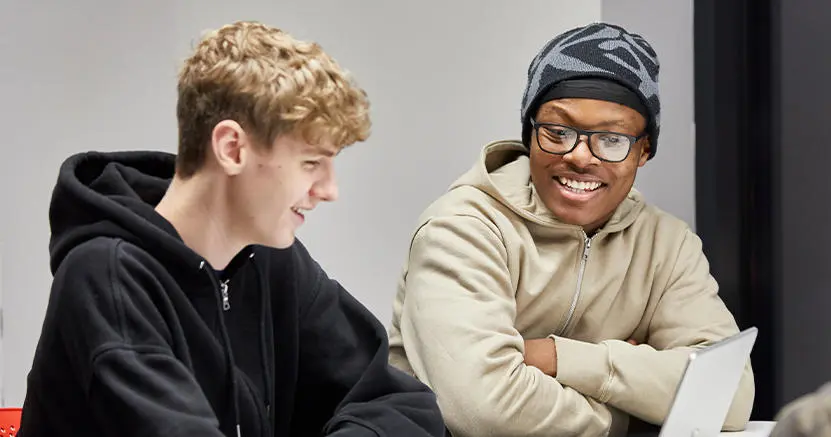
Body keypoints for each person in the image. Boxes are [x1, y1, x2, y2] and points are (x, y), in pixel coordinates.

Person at [18, 21, 445, 437]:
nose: (329, 191)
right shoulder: (107, 279)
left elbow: (400, 403)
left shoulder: (272, 260)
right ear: (231, 148)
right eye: (311, 163)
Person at [387, 22, 754, 437]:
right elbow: (484, 411)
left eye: (612, 140)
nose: (580, 157)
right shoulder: (464, 228)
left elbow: (729, 395)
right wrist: (631, 413)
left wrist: (558, 358)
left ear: (644, 150)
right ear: (529, 134)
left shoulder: (666, 244)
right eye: (558, 132)